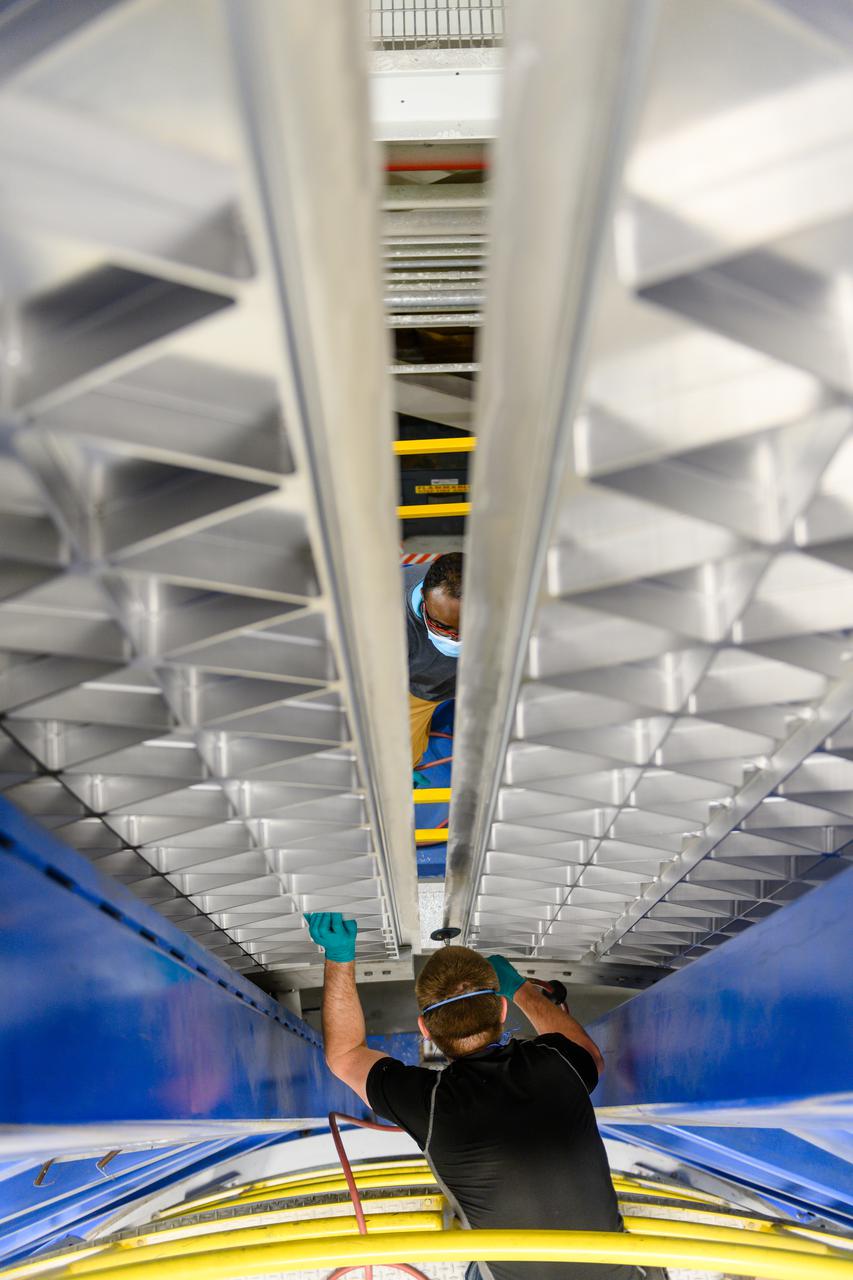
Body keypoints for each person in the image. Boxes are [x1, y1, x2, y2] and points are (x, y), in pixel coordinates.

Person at [305, 911, 667, 1280]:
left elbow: (346, 1055)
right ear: (503, 1009)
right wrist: (521, 988)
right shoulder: (557, 1062)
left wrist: (340, 956)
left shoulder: (432, 1104)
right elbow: (589, 1055)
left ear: (424, 1029)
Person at [404, 552, 462, 777]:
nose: (456, 639)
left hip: (486, 676)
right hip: (419, 688)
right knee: (400, 758)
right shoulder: (386, 620)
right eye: (443, 628)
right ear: (423, 598)